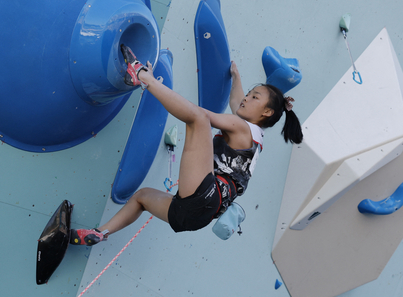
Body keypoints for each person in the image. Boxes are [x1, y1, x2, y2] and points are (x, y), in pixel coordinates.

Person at [69, 46, 303, 245]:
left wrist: (152, 82)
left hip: (205, 196)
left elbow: (204, 115)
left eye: (254, 97)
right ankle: (100, 233)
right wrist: (236, 77)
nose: (246, 98)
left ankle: (141, 75)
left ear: (267, 112)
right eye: (249, 93)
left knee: (198, 118)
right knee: (141, 197)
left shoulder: (240, 127)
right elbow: (236, 102)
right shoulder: (255, 138)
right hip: (196, 217)